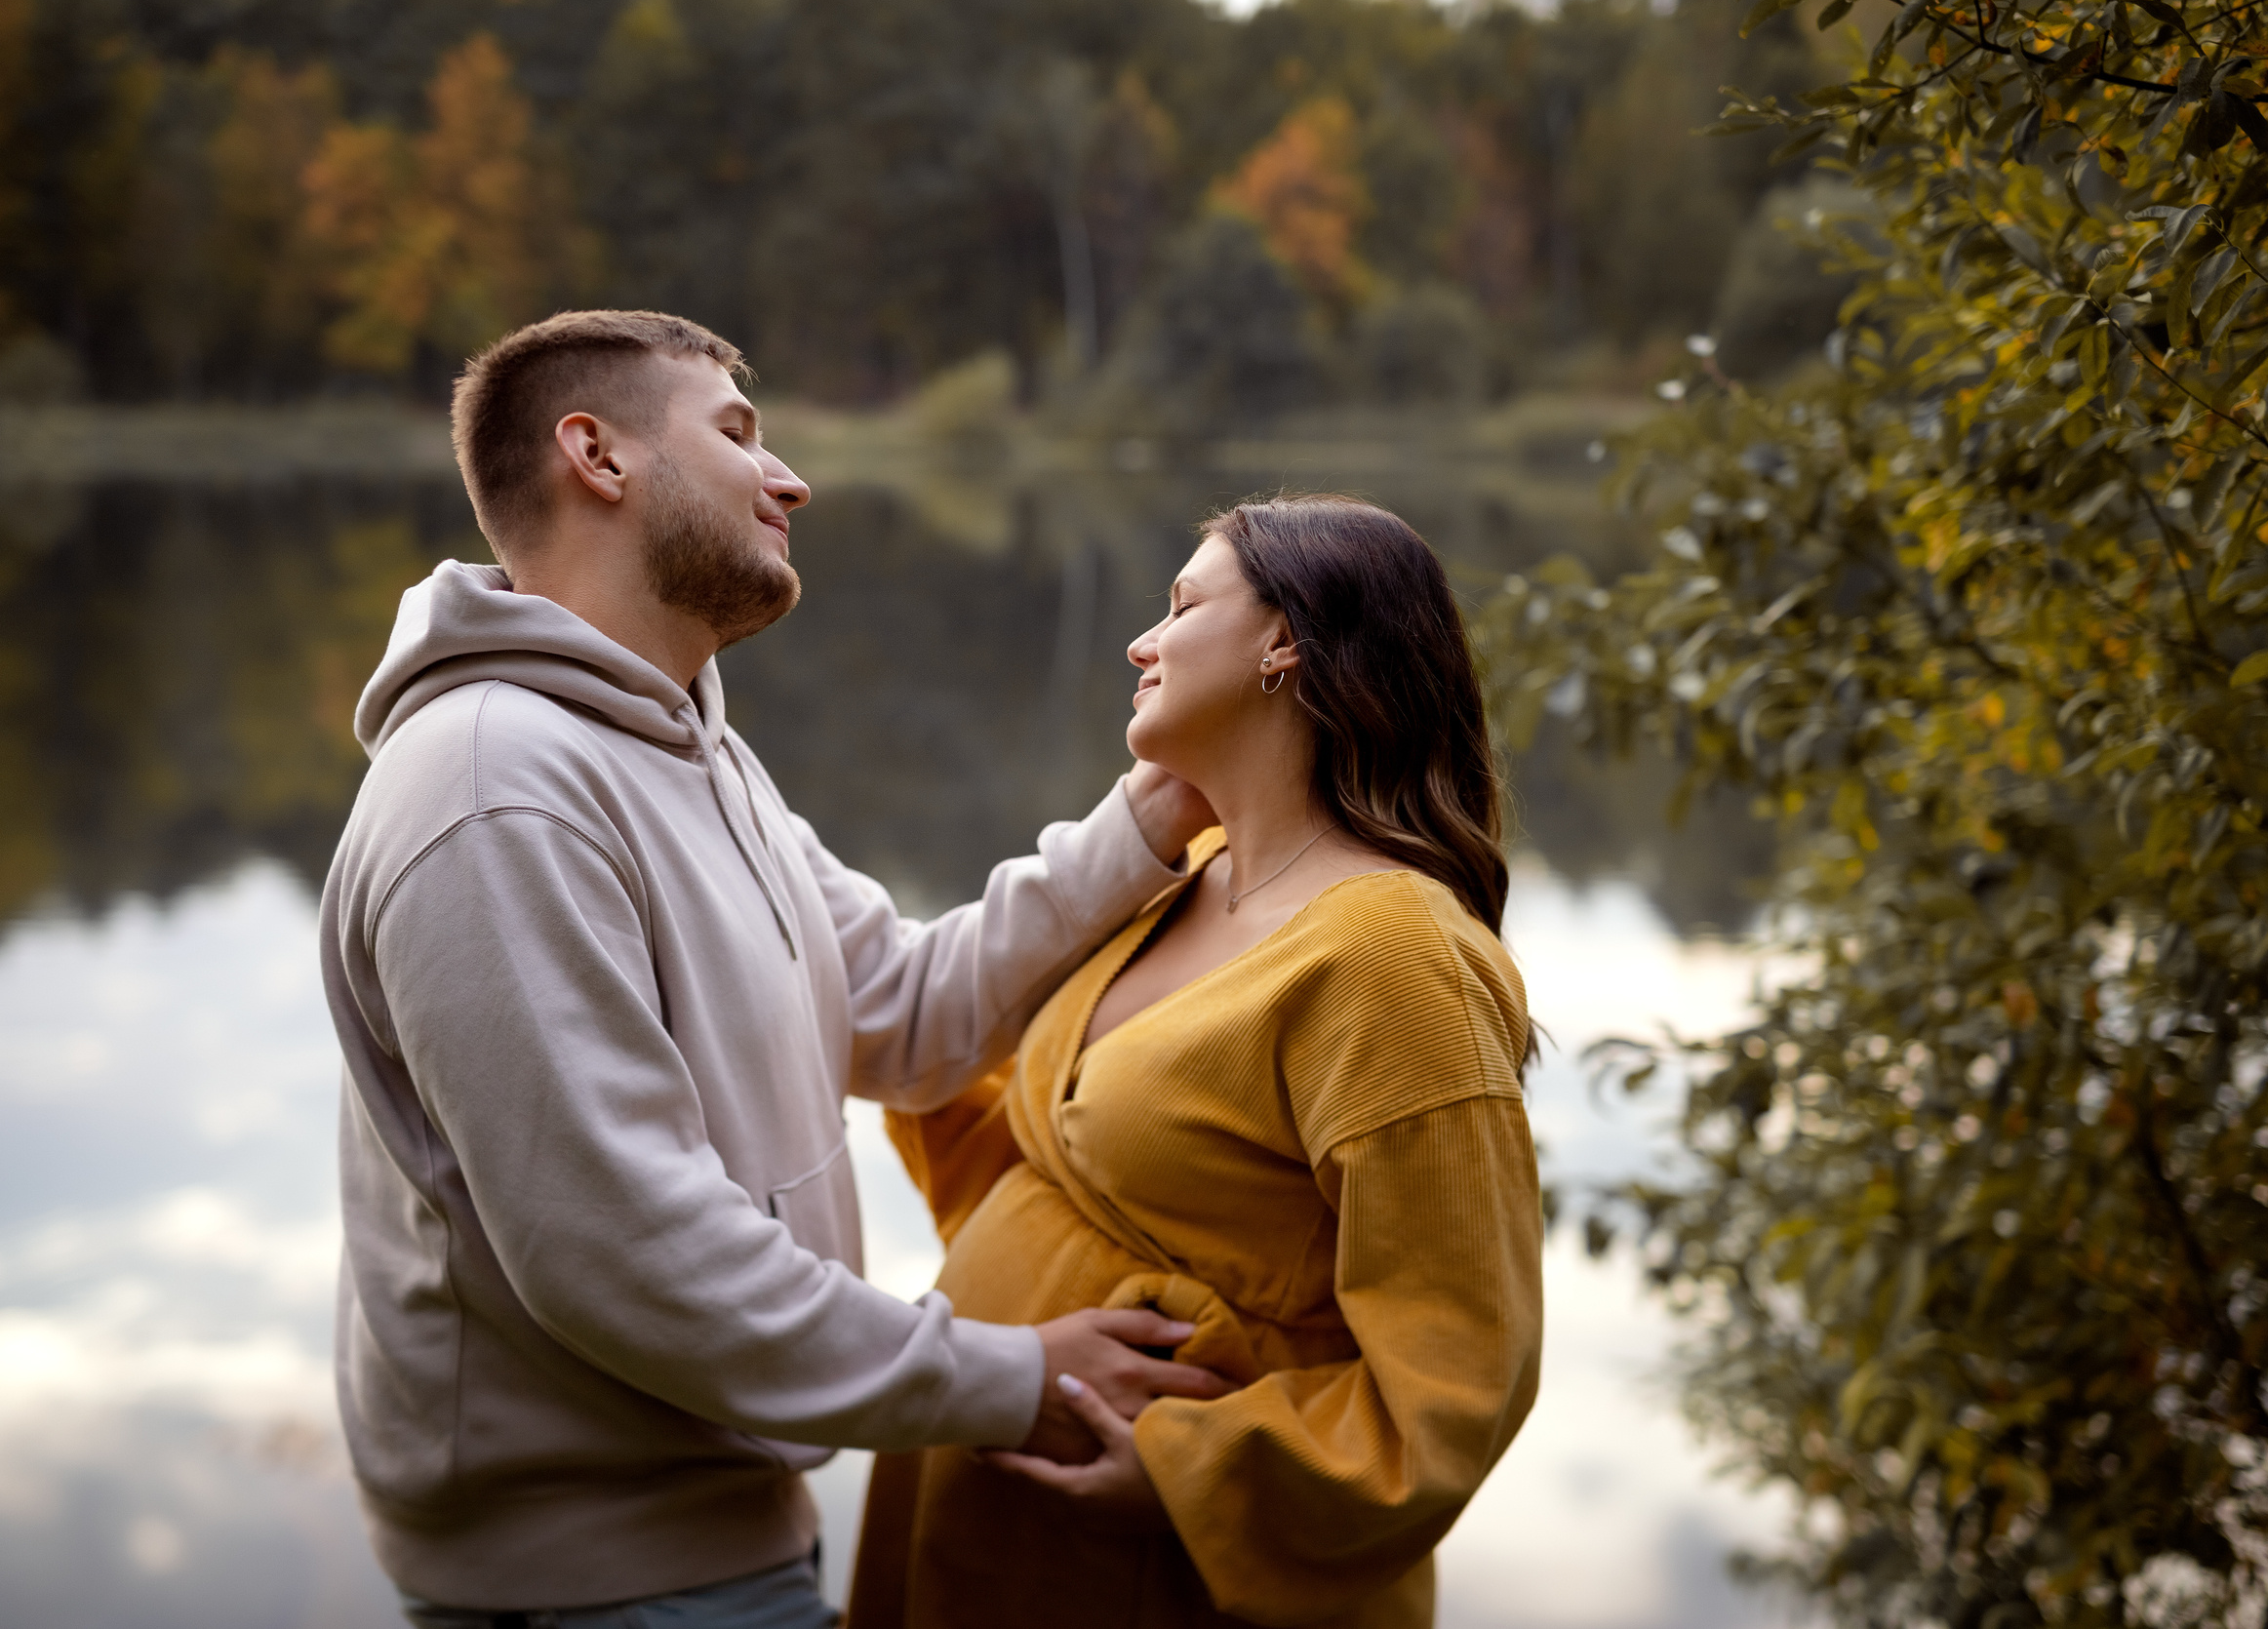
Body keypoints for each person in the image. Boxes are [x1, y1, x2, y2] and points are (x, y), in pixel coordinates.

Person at [319, 309, 1228, 1629]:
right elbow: (631, 1249)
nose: (789, 477)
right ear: (598, 455)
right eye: (739, 433)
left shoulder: (687, 742)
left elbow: (906, 1015)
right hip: (599, 1583)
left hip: (716, 1544)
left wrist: (1150, 821)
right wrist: (1010, 1375)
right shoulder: (495, 788)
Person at [848, 497, 1545, 1629]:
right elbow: (1051, 1138)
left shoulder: (1391, 957)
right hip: (988, 1507)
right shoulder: (1194, 869)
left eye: (1178, 606)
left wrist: (1191, 1474)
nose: (1141, 643)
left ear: (1285, 644)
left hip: (1156, 1566)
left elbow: (1460, 1374)